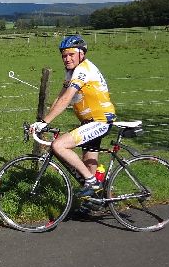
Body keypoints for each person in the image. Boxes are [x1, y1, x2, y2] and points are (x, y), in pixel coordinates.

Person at [30, 34, 116, 198]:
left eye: (71, 54)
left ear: (81, 54)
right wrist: (43, 121)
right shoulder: (71, 72)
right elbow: (59, 97)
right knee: (88, 168)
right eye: (64, 55)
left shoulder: (83, 71)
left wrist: (44, 121)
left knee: (58, 145)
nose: (67, 58)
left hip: (100, 121)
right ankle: (97, 203)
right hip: (89, 122)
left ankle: (92, 181)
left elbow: (66, 99)